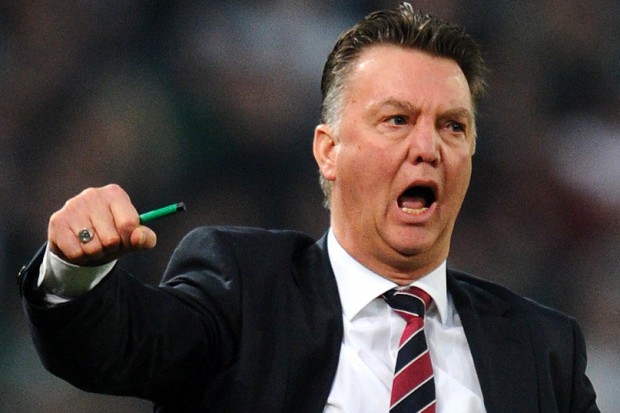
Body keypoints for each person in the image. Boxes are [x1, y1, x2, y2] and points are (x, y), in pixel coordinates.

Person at [19, 3, 599, 412]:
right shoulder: (245, 293)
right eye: (397, 120)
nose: (427, 147)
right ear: (329, 151)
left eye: (453, 126)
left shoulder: (541, 348)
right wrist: (74, 271)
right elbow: (114, 347)